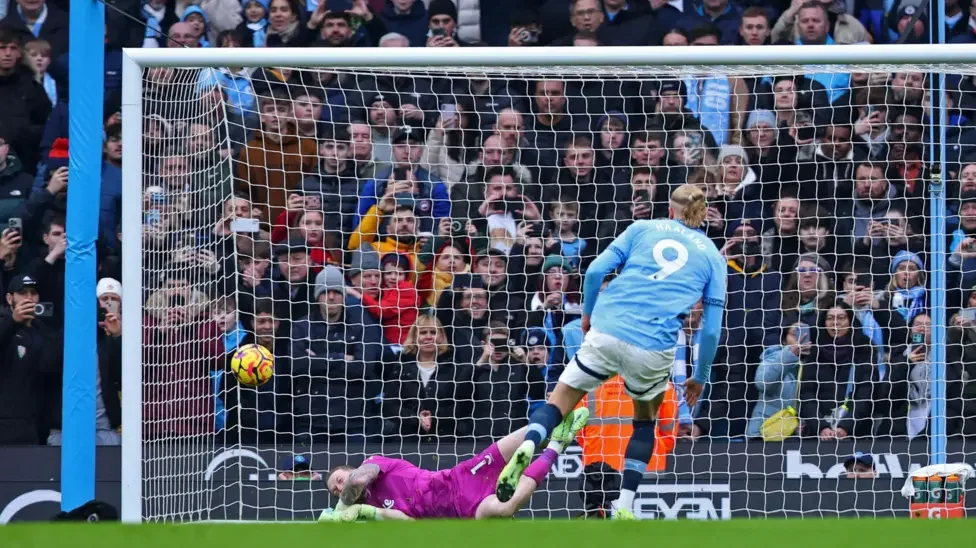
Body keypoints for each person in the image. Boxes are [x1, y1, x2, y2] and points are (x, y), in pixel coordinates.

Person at [493, 183, 726, 520]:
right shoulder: (711, 255)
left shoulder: (642, 228)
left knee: (557, 403)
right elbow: (712, 328)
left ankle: (530, 444)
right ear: (704, 213)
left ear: (670, 209)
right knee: (644, 423)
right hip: (654, 346)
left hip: (608, 329)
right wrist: (699, 378)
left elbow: (595, 271)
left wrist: (586, 316)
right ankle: (625, 505)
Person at [321, 407, 589, 521]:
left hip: (457, 480)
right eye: (335, 490)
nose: (339, 488)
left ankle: (559, 419)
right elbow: (408, 524)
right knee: (505, 508)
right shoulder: (372, 508)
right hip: (461, 511)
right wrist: (367, 513)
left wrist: (341, 507)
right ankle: (556, 445)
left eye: (339, 480)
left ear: (349, 468)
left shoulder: (371, 463)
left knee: (521, 437)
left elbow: (357, 480)